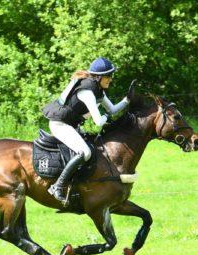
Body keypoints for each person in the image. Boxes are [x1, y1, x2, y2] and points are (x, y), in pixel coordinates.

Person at [42, 57, 135, 205]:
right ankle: (57, 186)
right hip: (60, 125)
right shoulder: (87, 92)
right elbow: (99, 121)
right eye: (108, 76)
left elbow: (111, 110)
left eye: (111, 75)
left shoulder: (98, 90)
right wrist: (106, 116)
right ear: (98, 77)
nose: (111, 79)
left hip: (70, 125)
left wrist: (127, 100)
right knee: (85, 152)